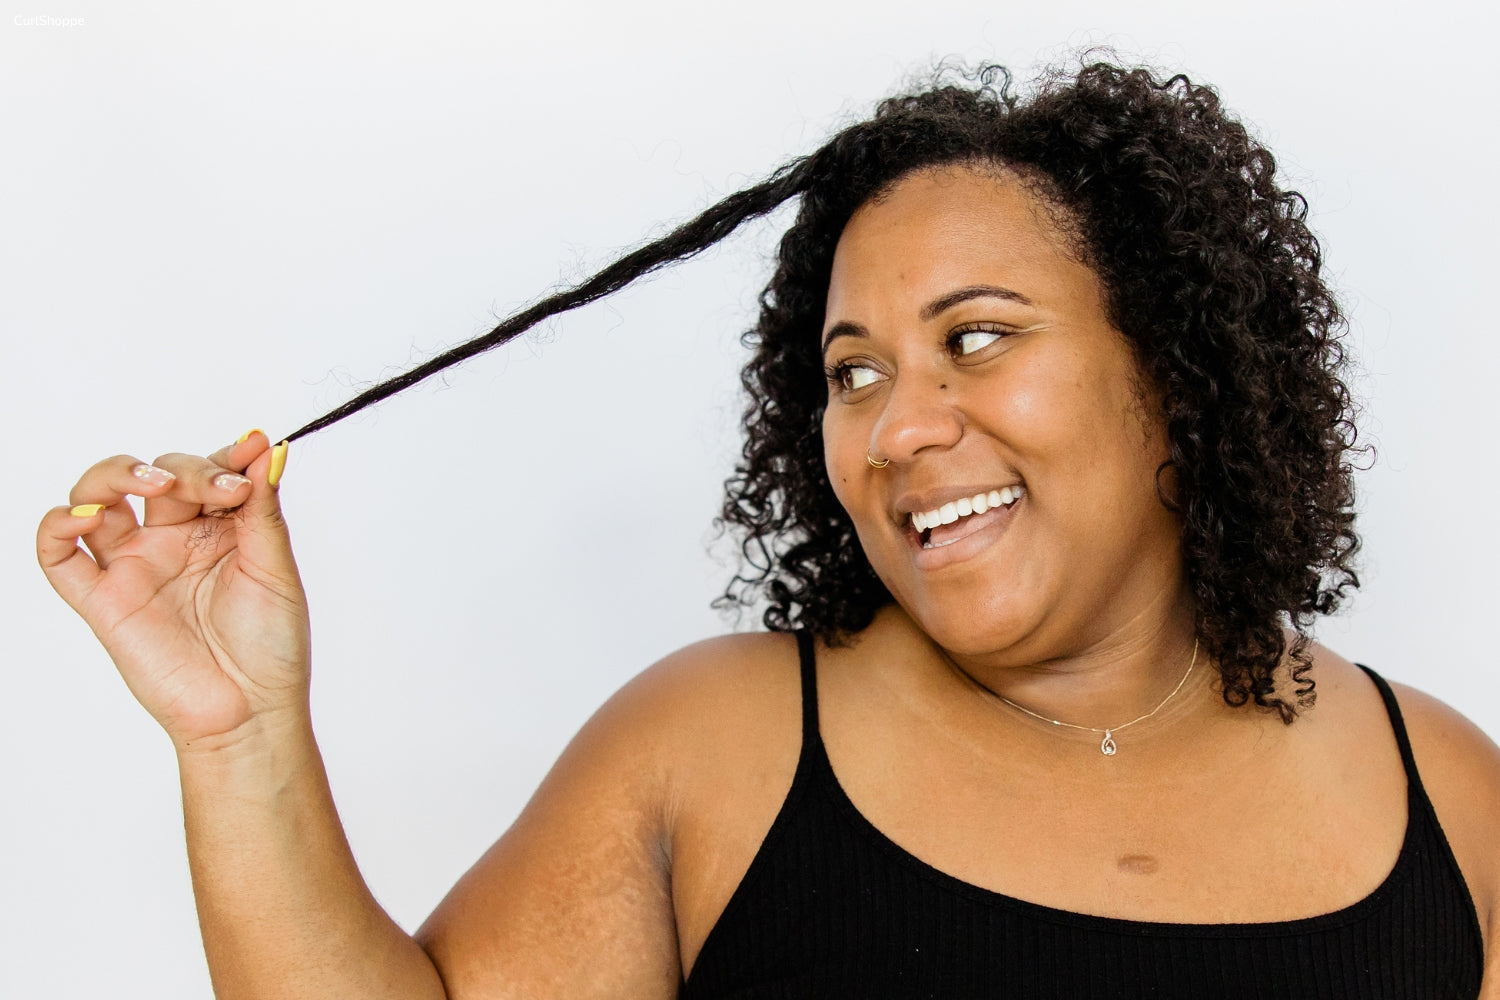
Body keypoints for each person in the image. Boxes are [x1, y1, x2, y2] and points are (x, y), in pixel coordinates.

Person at [36, 60, 1500, 998]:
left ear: (1174, 371)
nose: (899, 425)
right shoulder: (719, 746)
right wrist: (238, 738)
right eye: (852, 371)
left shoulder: (1447, 797)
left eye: (976, 340)